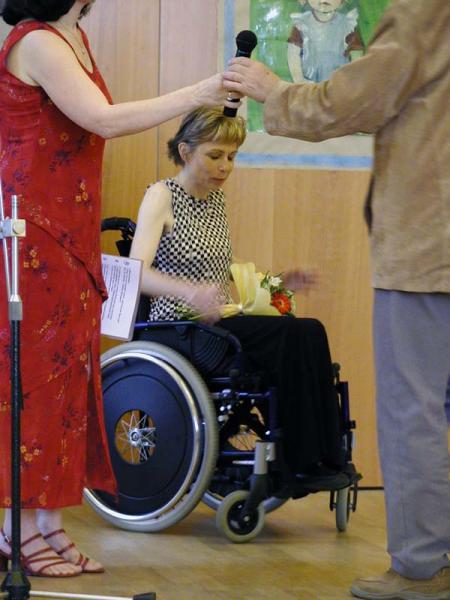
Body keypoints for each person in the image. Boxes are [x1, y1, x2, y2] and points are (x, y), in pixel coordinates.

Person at [0, 0, 235, 578]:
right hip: (33, 233)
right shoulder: (35, 39)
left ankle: (49, 522)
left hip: (72, 230)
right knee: (34, 381)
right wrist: (200, 93)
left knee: (68, 383)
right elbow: (102, 120)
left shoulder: (74, 36)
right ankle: (15, 529)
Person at [223, 0, 450, 598]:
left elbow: (359, 96)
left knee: (415, 412)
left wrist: (275, 92)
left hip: (430, 245)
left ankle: (423, 567)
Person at [130, 105, 355, 505]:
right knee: (288, 336)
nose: (225, 167)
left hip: (216, 323)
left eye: (232, 157)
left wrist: (277, 281)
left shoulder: (215, 200)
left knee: (309, 330)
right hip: (177, 327)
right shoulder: (161, 195)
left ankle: (324, 459)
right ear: (185, 151)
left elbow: (223, 269)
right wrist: (189, 292)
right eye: (215, 155)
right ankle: (301, 462)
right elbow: (136, 274)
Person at [287, 0, 361, 83]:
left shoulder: (347, 24)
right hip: (309, 82)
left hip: (339, 82)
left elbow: (356, 54)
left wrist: (352, 79)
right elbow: (293, 53)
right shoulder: (302, 23)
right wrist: (299, 79)